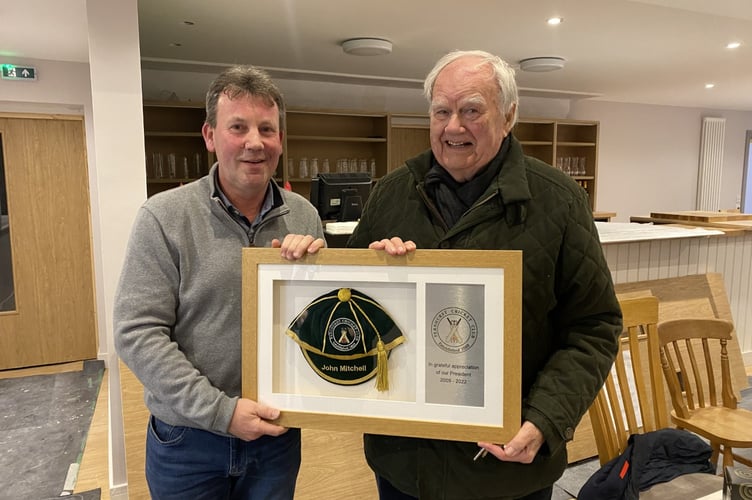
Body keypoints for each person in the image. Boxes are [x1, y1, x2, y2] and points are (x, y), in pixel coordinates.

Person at [348, 50, 623, 500]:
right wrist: (375, 278)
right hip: (405, 464)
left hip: (508, 468)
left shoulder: (559, 201)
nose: (453, 126)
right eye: (441, 111)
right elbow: (352, 309)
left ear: (508, 116)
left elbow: (594, 326)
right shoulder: (391, 194)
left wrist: (545, 418)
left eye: (472, 110)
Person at [114, 65, 325, 499]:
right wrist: (221, 412)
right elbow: (136, 332)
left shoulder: (304, 215)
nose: (254, 142)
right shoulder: (163, 216)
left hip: (275, 439)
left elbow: (317, 323)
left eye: (267, 128)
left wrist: (316, 277)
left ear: (280, 139)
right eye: (238, 127)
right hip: (187, 442)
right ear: (210, 135)